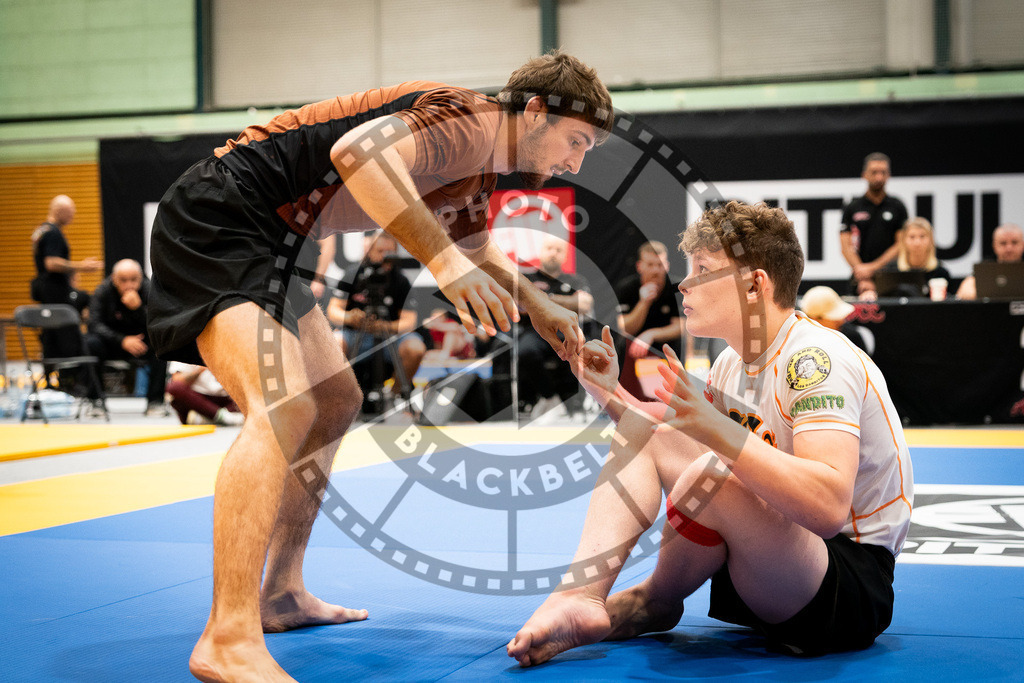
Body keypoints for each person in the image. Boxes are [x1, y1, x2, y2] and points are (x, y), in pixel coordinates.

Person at [147, 50, 612, 682]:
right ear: (534, 111)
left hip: (272, 240)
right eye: (576, 140)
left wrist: (539, 305)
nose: (577, 162)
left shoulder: (476, 173)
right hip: (223, 213)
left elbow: (476, 248)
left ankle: (280, 593)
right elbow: (358, 155)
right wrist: (443, 267)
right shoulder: (469, 119)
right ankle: (227, 636)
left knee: (334, 399)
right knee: (281, 405)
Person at [508, 201, 913, 665]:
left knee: (714, 472)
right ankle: (579, 595)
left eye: (703, 269)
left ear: (755, 284)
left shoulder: (815, 360)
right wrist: (607, 393)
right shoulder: (729, 363)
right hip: (772, 561)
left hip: (845, 584)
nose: (684, 283)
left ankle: (652, 599)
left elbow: (826, 508)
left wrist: (720, 433)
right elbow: (674, 444)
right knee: (650, 434)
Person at [326, 230, 426, 403]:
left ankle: (393, 396)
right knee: (333, 343)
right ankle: (345, 399)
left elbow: (409, 322)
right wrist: (350, 317)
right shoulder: (352, 274)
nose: (385, 257)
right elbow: (332, 310)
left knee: (415, 347)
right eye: (380, 252)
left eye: (389, 253)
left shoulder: (400, 280)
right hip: (355, 335)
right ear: (369, 251)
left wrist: (383, 326)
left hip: (390, 338)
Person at [518, 234, 593, 415]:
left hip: (565, 330)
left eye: (558, 250)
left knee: (580, 349)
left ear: (565, 256)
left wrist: (544, 299)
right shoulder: (526, 278)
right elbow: (521, 306)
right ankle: (550, 397)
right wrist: (568, 301)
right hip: (533, 331)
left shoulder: (576, 280)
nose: (553, 253)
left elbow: (585, 304)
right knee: (525, 351)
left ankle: (578, 405)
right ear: (541, 252)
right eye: (549, 249)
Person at [29, 195, 103, 372]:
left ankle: (54, 378)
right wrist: (81, 266)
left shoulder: (42, 230)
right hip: (55, 291)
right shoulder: (53, 232)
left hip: (46, 290)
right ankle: (72, 378)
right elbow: (51, 263)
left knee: (51, 334)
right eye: (70, 212)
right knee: (67, 336)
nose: (72, 217)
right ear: (58, 210)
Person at [85, 259, 168, 414]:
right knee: (91, 343)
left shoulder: (149, 289)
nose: (129, 285)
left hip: (142, 344)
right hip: (113, 343)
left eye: (133, 280)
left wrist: (138, 309)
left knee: (161, 345)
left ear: (140, 278)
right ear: (114, 279)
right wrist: (122, 340)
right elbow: (94, 324)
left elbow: (159, 323)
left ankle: (155, 402)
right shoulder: (103, 291)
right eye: (123, 280)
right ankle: (95, 401)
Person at [615, 240, 686, 399]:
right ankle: (618, 396)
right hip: (634, 343)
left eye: (660, 265)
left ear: (667, 266)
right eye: (650, 265)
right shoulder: (626, 288)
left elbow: (681, 327)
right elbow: (625, 327)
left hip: (665, 342)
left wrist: (651, 334)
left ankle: (677, 394)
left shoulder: (677, 287)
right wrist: (644, 302)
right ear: (640, 266)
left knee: (677, 342)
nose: (656, 270)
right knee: (620, 342)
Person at [840, 153, 908, 296]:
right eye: (874, 172)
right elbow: (846, 246)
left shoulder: (897, 206)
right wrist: (862, 272)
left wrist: (873, 268)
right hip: (859, 279)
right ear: (864, 175)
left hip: (891, 277)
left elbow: (901, 244)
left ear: (888, 175)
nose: (879, 177)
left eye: (883, 172)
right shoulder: (852, 207)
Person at [862, 217, 951, 299]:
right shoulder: (890, 271)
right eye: (912, 237)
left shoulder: (940, 272)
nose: (917, 242)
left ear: (931, 240)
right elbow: (881, 299)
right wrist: (871, 294)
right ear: (903, 240)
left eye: (922, 236)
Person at [956, 223, 1024, 300]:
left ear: (1023, 244)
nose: (1009, 248)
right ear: (994, 246)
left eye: (1014, 242)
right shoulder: (985, 268)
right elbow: (965, 292)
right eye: (1003, 243)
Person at [166, 361, 244, 426]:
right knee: (174, 388)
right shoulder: (185, 345)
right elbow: (177, 379)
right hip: (198, 399)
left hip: (226, 396)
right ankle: (222, 417)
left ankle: (208, 417)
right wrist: (201, 368)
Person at [800, 285, 870, 353]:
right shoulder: (798, 341)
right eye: (834, 318)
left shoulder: (851, 337)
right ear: (814, 319)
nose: (841, 321)